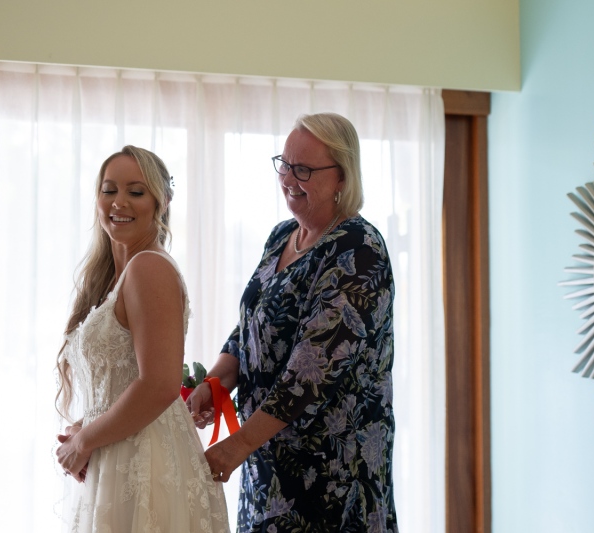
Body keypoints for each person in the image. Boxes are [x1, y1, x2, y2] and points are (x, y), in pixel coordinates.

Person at [187, 113, 398, 532]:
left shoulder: (359, 248)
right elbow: (250, 328)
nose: (288, 178)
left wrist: (236, 446)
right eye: (284, 164)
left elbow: (312, 370)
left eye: (303, 169)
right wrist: (214, 385)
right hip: (266, 468)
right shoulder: (281, 235)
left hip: (331, 477)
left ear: (342, 177)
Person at [55, 145, 229, 532]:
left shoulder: (149, 267)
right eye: (109, 189)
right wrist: (87, 427)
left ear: (161, 201)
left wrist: (84, 443)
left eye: (136, 191)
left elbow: (159, 385)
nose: (119, 202)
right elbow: (125, 382)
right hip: (121, 457)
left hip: (148, 466)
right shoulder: (119, 276)